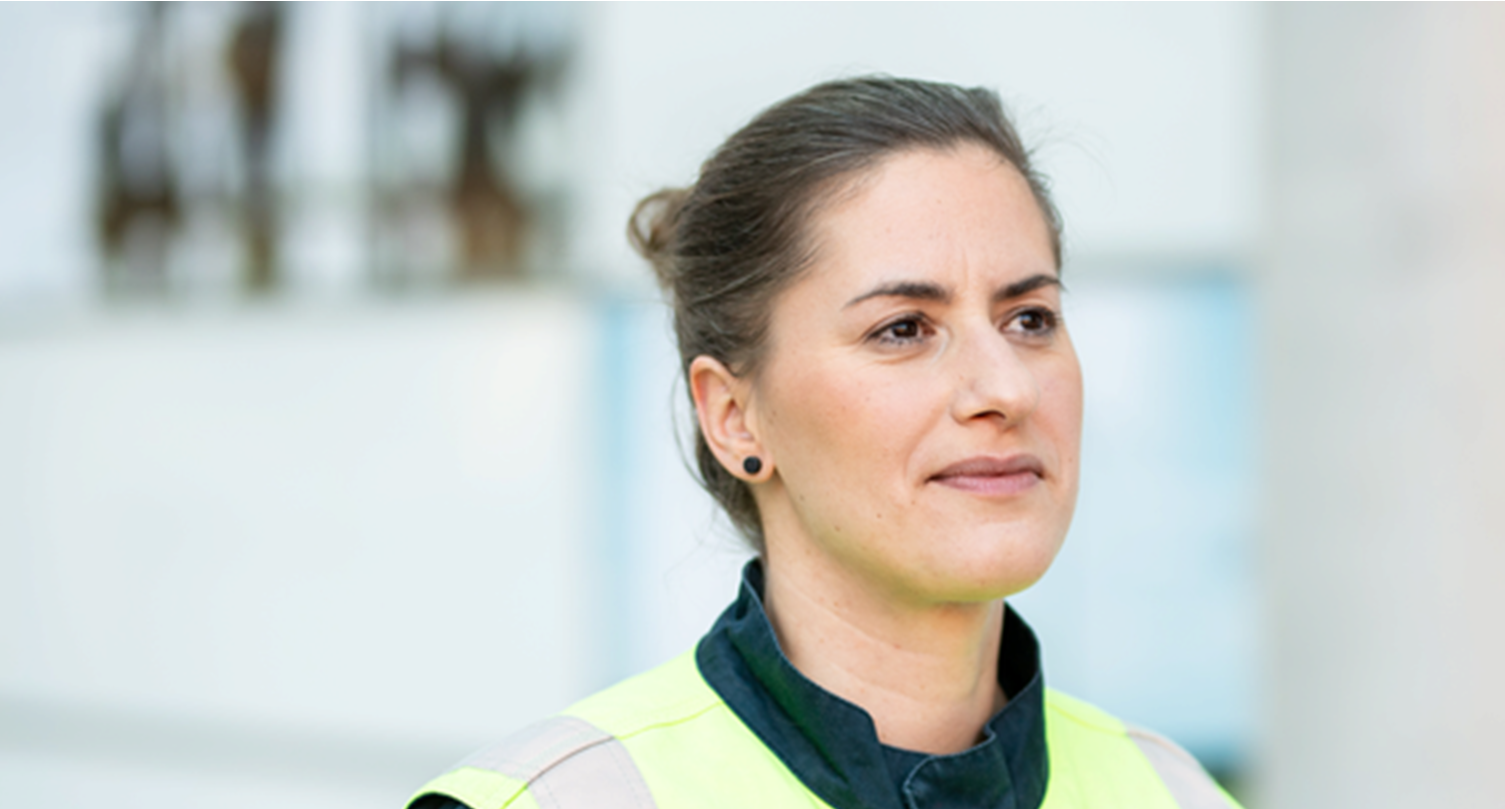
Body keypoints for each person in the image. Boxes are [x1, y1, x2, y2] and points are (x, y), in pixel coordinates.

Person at [406, 76, 1242, 809]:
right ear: (734, 415)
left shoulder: (1175, 793)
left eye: (1030, 318)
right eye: (903, 328)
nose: (1007, 389)